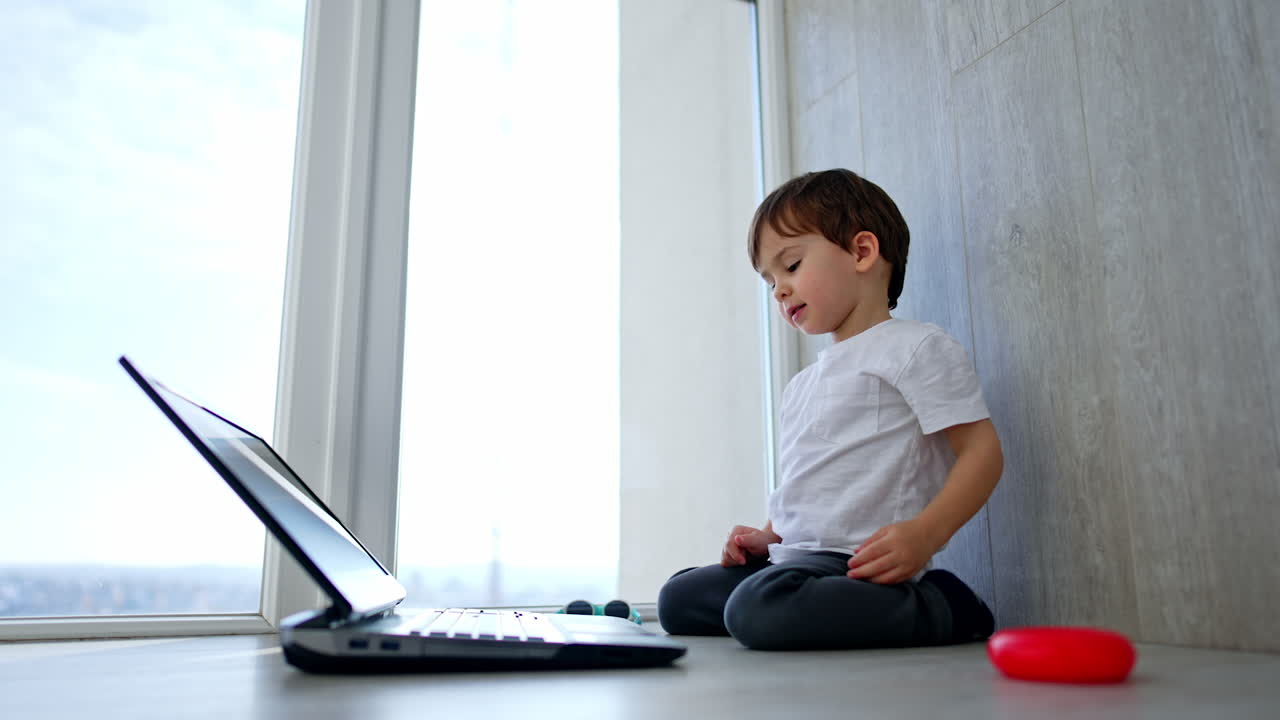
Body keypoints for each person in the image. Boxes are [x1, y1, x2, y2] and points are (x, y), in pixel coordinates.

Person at [657, 169, 1004, 650]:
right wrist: (768, 536)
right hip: (793, 560)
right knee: (677, 598)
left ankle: (943, 605)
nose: (779, 290)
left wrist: (925, 534)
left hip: (856, 563)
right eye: (770, 280)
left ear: (862, 252)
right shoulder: (803, 384)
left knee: (757, 608)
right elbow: (814, 484)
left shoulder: (916, 347)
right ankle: (781, 597)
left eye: (792, 266)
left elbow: (982, 453)